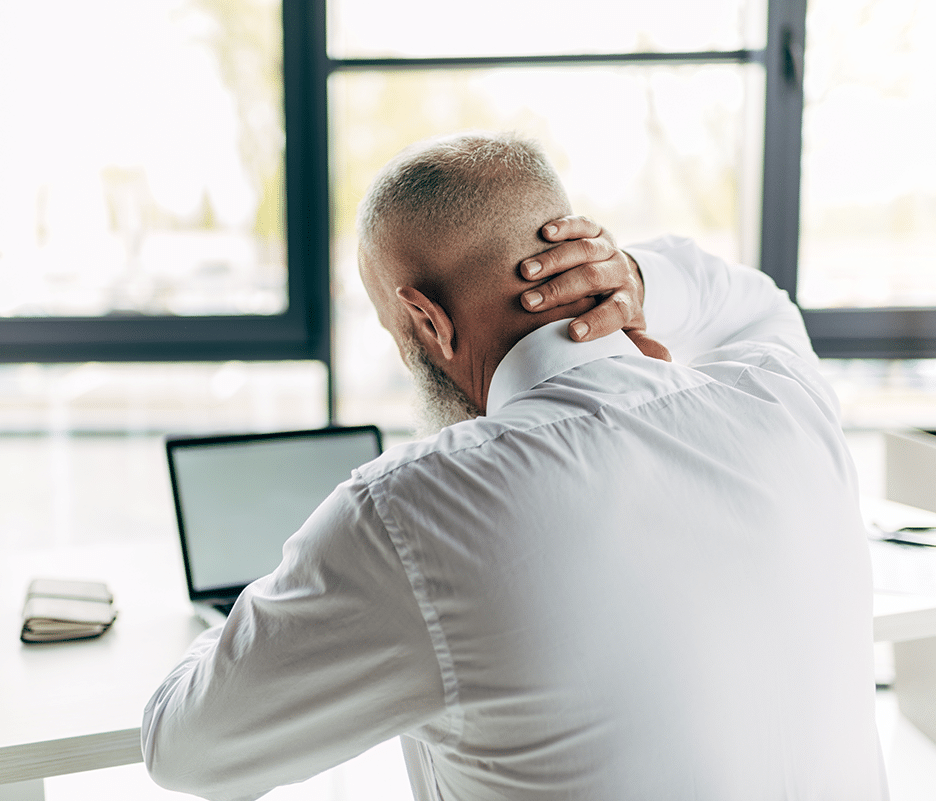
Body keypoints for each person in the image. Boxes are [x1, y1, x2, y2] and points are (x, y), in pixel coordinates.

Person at [142, 132, 884, 800]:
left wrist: (268, 605)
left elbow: (184, 752)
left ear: (427, 320)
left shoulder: (413, 510)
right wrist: (634, 275)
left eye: (393, 331)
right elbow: (759, 304)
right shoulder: (785, 397)